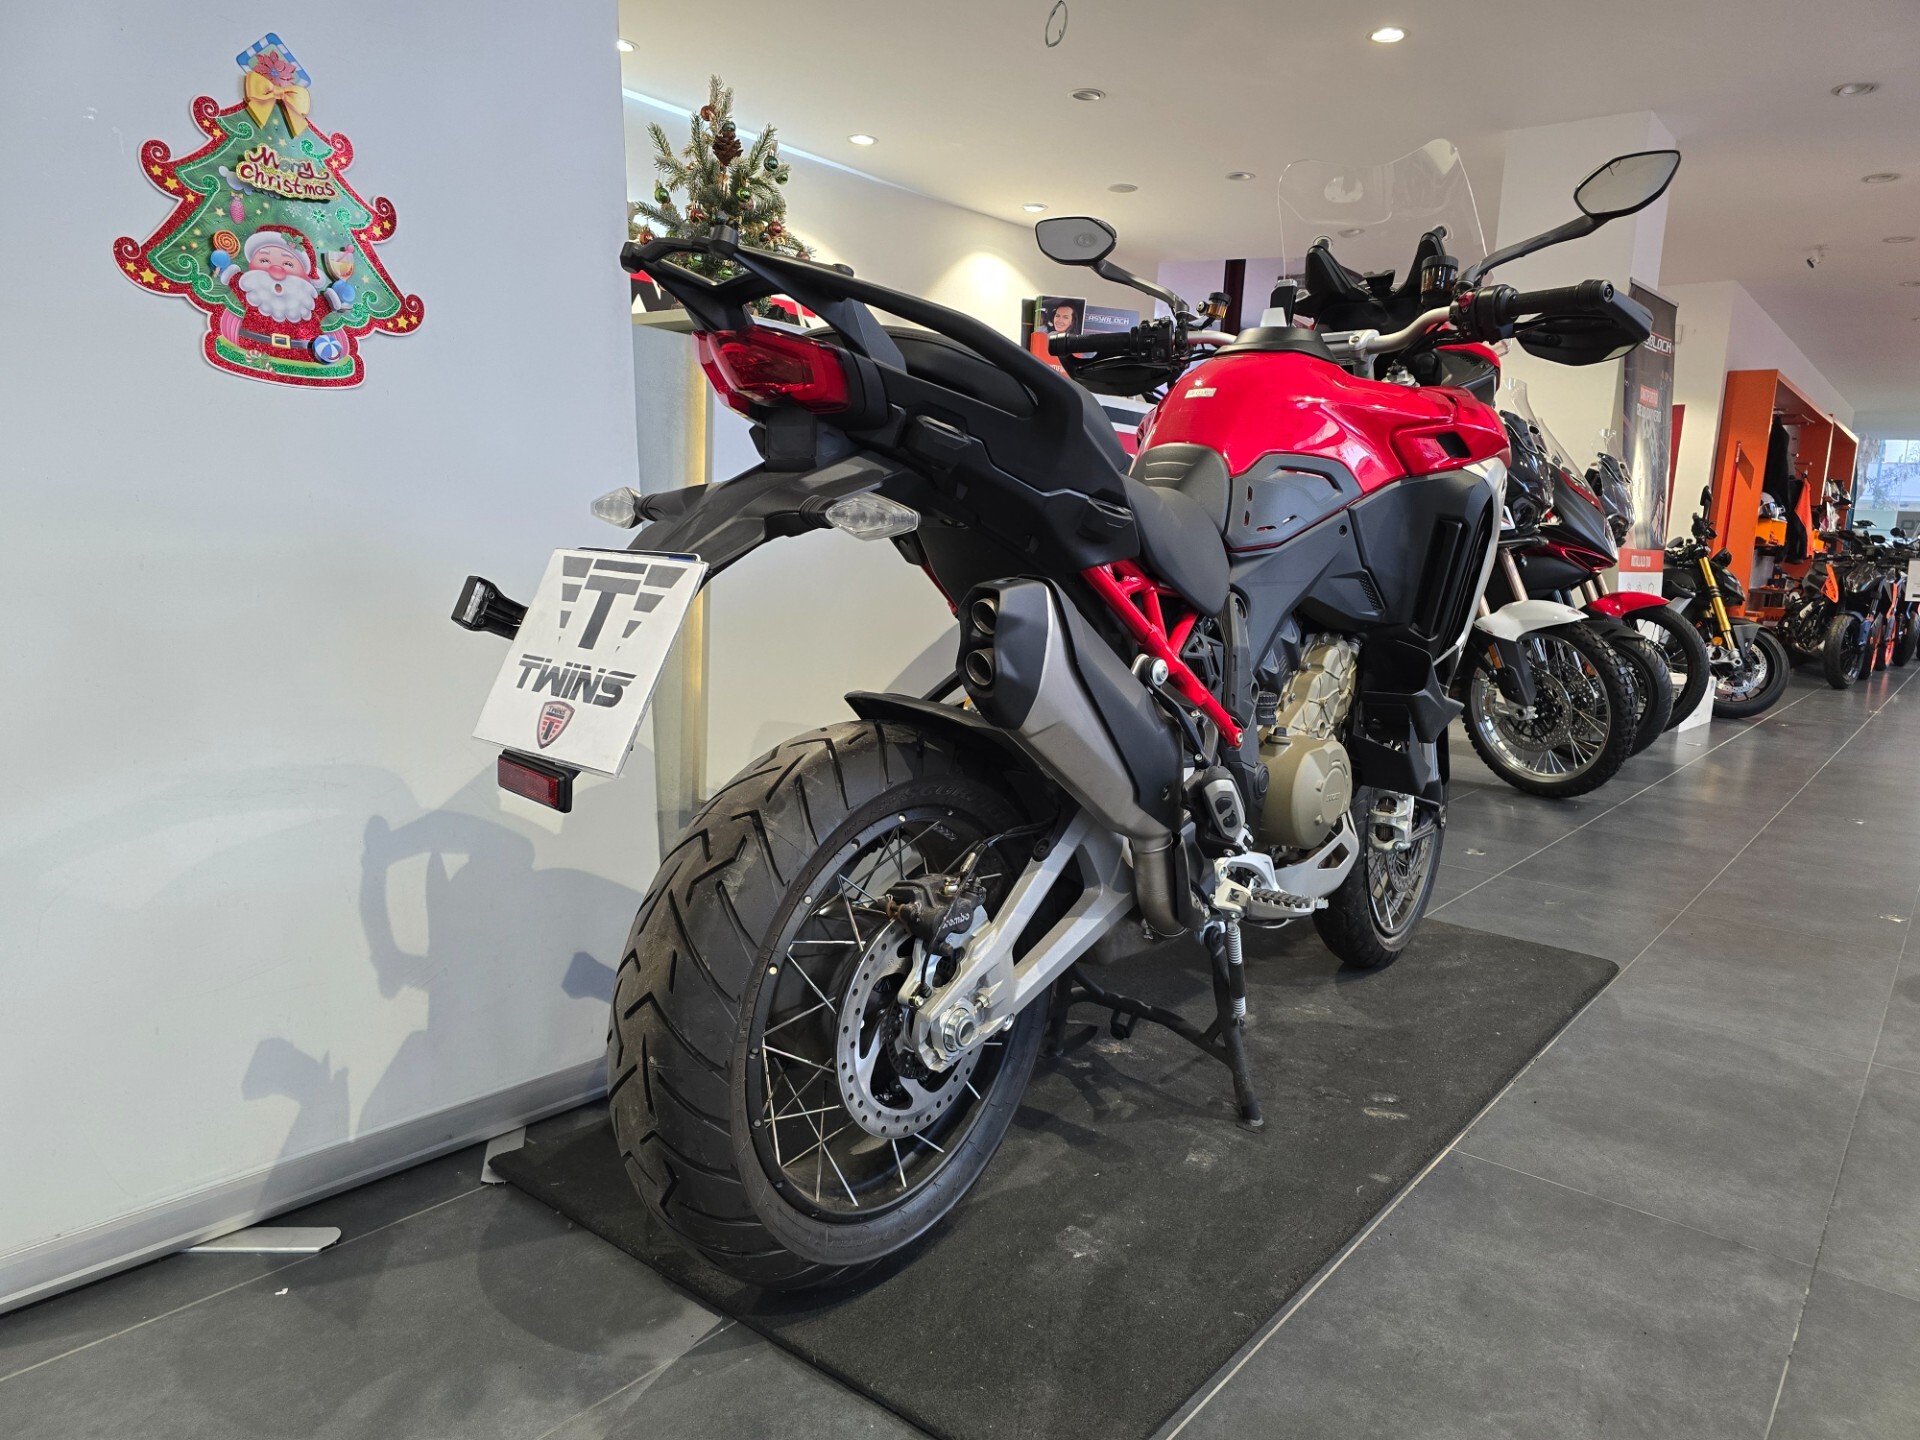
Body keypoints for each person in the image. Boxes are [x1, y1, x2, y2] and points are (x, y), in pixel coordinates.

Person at [209, 224, 355, 363]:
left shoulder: (308, 303)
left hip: (303, 356)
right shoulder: (251, 288)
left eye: (288, 264)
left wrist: (339, 294)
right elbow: (230, 276)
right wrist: (221, 265)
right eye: (264, 260)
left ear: (306, 276)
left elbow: (329, 303)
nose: (276, 270)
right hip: (253, 350)